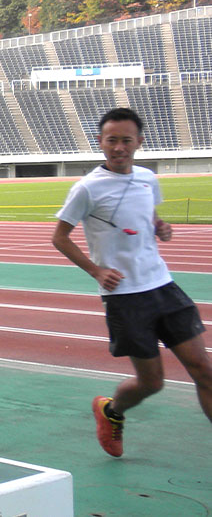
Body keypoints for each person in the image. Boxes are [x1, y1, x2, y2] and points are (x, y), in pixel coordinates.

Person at [52, 107, 211, 457]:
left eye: (126, 140)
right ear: (101, 142)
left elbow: (149, 216)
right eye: (112, 140)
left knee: (204, 369)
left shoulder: (147, 178)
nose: (119, 147)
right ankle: (112, 410)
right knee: (152, 383)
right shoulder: (87, 189)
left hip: (164, 286)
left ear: (139, 142)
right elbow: (59, 237)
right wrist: (96, 271)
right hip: (125, 297)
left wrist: (160, 227)